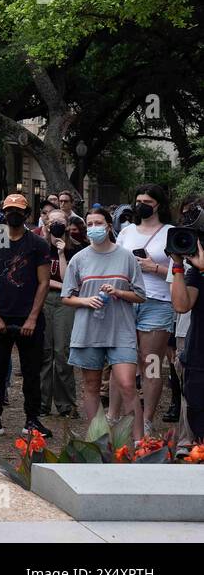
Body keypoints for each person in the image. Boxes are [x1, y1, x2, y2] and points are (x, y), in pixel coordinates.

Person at [0, 194, 53, 439]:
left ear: (27, 213)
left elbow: (43, 283)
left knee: (31, 371)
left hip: (29, 317)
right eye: (9, 210)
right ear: (3, 214)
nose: (13, 215)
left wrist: (32, 318)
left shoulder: (38, 244)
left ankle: (32, 419)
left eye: (18, 210)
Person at [63, 208, 145, 437]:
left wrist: (119, 292)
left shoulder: (126, 257)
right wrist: (86, 300)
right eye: (89, 224)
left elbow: (140, 295)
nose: (93, 228)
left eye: (98, 223)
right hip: (88, 330)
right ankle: (98, 440)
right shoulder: (79, 259)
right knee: (91, 386)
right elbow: (66, 297)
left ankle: (140, 444)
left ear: (109, 226)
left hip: (120, 329)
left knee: (128, 385)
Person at [116, 184, 175, 434]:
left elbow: (181, 271)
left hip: (158, 302)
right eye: (138, 200)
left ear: (158, 204)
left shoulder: (171, 232)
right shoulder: (127, 232)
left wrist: (156, 269)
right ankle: (118, 417)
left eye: (147, 201)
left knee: (150, 363)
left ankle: (147, 419)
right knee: (123, 361)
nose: (141, 204)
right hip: (128, 300)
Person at [39, 211, 85, 419]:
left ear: (67, 224)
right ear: (46, 224)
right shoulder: (39, 246)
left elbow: (71, 281)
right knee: (44, 351)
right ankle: (41, 402)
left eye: (60, 221)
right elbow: (39, 278)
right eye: (52, 221)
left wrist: (61, 253)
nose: (56, 224)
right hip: (43, 299)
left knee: (62, 351)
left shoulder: (76, 248)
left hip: (66, 302)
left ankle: (66, 404)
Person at [168, 238, 204, 446]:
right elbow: (181, 305)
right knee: (197, 414)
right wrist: (178, 266)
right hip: (198, 354)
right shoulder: (196, 272)